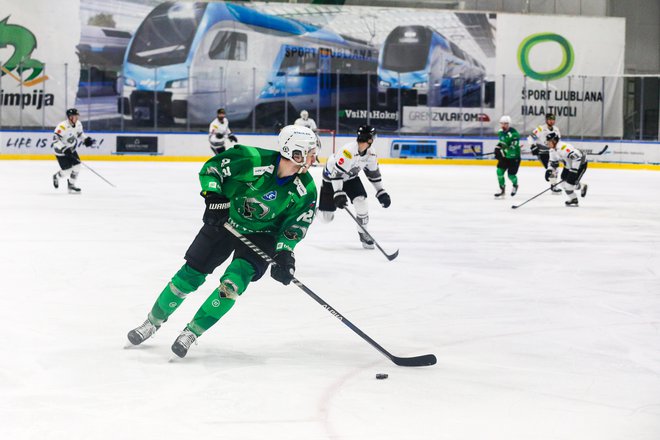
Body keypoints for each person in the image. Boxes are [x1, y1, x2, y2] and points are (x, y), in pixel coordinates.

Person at [127, 125, 319, 358]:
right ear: (293, 151)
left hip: (262, 235)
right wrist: (214, 196)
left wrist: (285, 253)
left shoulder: (306, 189)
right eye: (308, 152)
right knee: (190, 275)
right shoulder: (252, 158)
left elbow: (295, 225)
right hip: (225, 220)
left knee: (232, 285)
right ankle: (152, 322)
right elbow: (212, 169)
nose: (313, 157)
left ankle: (192, 332)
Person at [318, 125, 391, 249]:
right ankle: (318, 211)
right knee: (326, 218)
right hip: (331, 180)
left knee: (361, 201)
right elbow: (337, 174)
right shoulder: (348, 151)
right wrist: (338, 193)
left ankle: (364, 233)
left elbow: (373, 174)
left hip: (351, 178)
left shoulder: (371, 153)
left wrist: (381, 191)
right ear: (370, 139)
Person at [52, 108, 95, 194]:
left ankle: (71, 185)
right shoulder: (62, 126)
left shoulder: (78, 124)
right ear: (70, 117)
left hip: (71, 149)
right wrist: (64, 148)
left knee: (77, 166)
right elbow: (55, 141)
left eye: (77, 116)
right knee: (67, 170)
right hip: (61, 152)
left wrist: (85, 139)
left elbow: (79, 134)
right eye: (75, 116)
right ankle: (56, 176)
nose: (77, 118)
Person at [545, 132, 588, 207]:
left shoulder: (564, 148)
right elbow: (553, 163)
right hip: (568, 166)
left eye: (548, 141)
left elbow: (577, 158)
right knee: (563, 184)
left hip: (580, 165)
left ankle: (582, 186)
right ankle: (573, 199)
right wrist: (549, 170)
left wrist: (574, 170)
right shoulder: (552, 150)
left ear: (554, 141)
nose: (547, 143)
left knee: (569, 185)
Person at [527, 113, 562, 193]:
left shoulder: (556, 129)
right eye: (550, 119)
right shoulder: (540, 129)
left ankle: (554, 186)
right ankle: (554, 186)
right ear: (546, 120)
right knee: (551, 169)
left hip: (553, 152)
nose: (551, 121)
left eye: (553, 120)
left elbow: (558, 141)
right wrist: (533, 146)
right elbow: (530, 138)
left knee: (555, 168)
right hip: (543, 153)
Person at [494, 115, 521, 198]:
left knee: (511, 175)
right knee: (499, 171)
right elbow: (501, 143)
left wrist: (504, 149)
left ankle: (515, 185)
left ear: (509, 124)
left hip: (514, 157)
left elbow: (512, 148)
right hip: (505, 157)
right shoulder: (500, 132)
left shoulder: (514, 134)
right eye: (502, 123)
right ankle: (502, 189)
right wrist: (497, 148)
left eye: (505, 124)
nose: (503, 125)